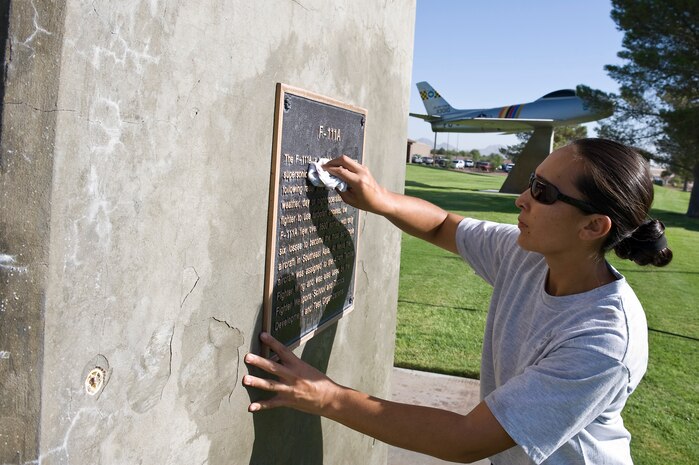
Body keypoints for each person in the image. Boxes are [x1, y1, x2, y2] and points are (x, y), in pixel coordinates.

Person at [243, 138, 672, 464]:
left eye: (544, 193)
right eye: (531, 181)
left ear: (593, 226)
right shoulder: (525, 255)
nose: (522, 198)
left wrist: (327, 397)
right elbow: (443, 225)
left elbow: (464, 438)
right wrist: (381, 198)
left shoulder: (603, 341)